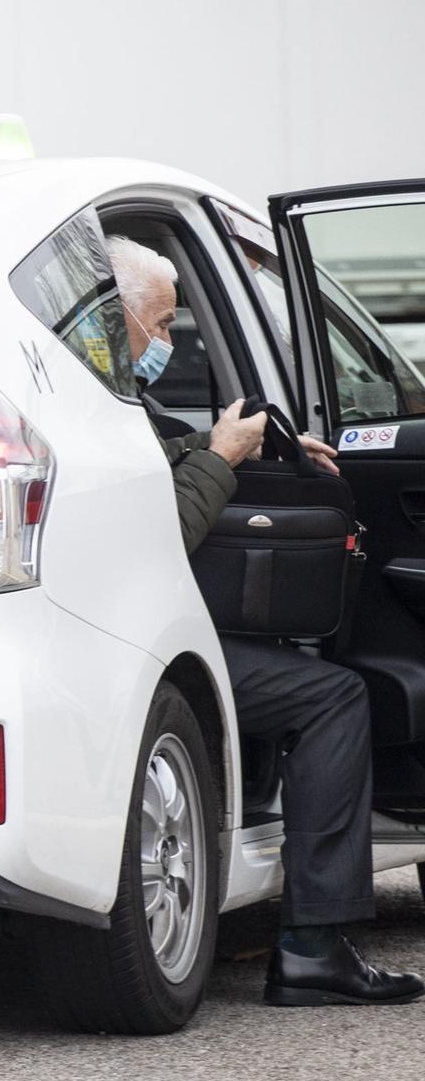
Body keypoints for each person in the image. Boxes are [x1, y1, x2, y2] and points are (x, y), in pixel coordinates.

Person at [106, 234, 422, 1007]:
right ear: (116, 320)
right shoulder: (94, 403)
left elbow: (152, 456)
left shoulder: (89, 397)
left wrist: (242, 449)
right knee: (335, 697)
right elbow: (153, 537)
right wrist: (217, 455)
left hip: (124, 634)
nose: (169, 342)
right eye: (162, 323)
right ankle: (314, 944)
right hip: (132, 641)